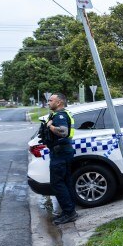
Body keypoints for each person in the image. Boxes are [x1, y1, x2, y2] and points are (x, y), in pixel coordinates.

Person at [45, 93, 77, 225]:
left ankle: (69, 212)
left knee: (57, 183)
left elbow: (63, 132)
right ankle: (69, 211)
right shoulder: (62, 114)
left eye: (51, 100)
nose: (48, 102)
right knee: (66, 182)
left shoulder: (60, 116)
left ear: (58, 103)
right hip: (64, 153)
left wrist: (50, 126)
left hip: (60, 155)